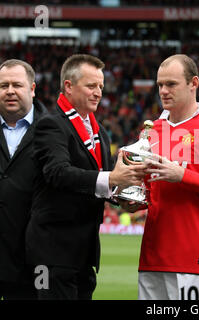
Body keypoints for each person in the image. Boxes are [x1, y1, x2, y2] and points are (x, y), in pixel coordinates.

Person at [25, 54, 146, 300]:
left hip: (85, 251)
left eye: (101, 86)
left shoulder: (99, 130)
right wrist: (112, 179)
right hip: (53, 252)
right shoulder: (51, 125)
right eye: (91, 86)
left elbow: (99, 182)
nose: (98, 92)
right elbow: (57, 173)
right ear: (68, 86)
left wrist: (121, 196)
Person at [132, 54, 199, 300]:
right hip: (152, 258)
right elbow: (147, 191)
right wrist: (132, 200)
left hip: (193, 259)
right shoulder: (151, 131)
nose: (163, 91)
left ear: (194, 83)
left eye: (171, 84)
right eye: (160, 84)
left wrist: (183, 175)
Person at [0, 59, 47, 300]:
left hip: (32, 263)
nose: (9, 91)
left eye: (16, 85)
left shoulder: (53, 129)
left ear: (32, 89)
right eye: (3, 85)